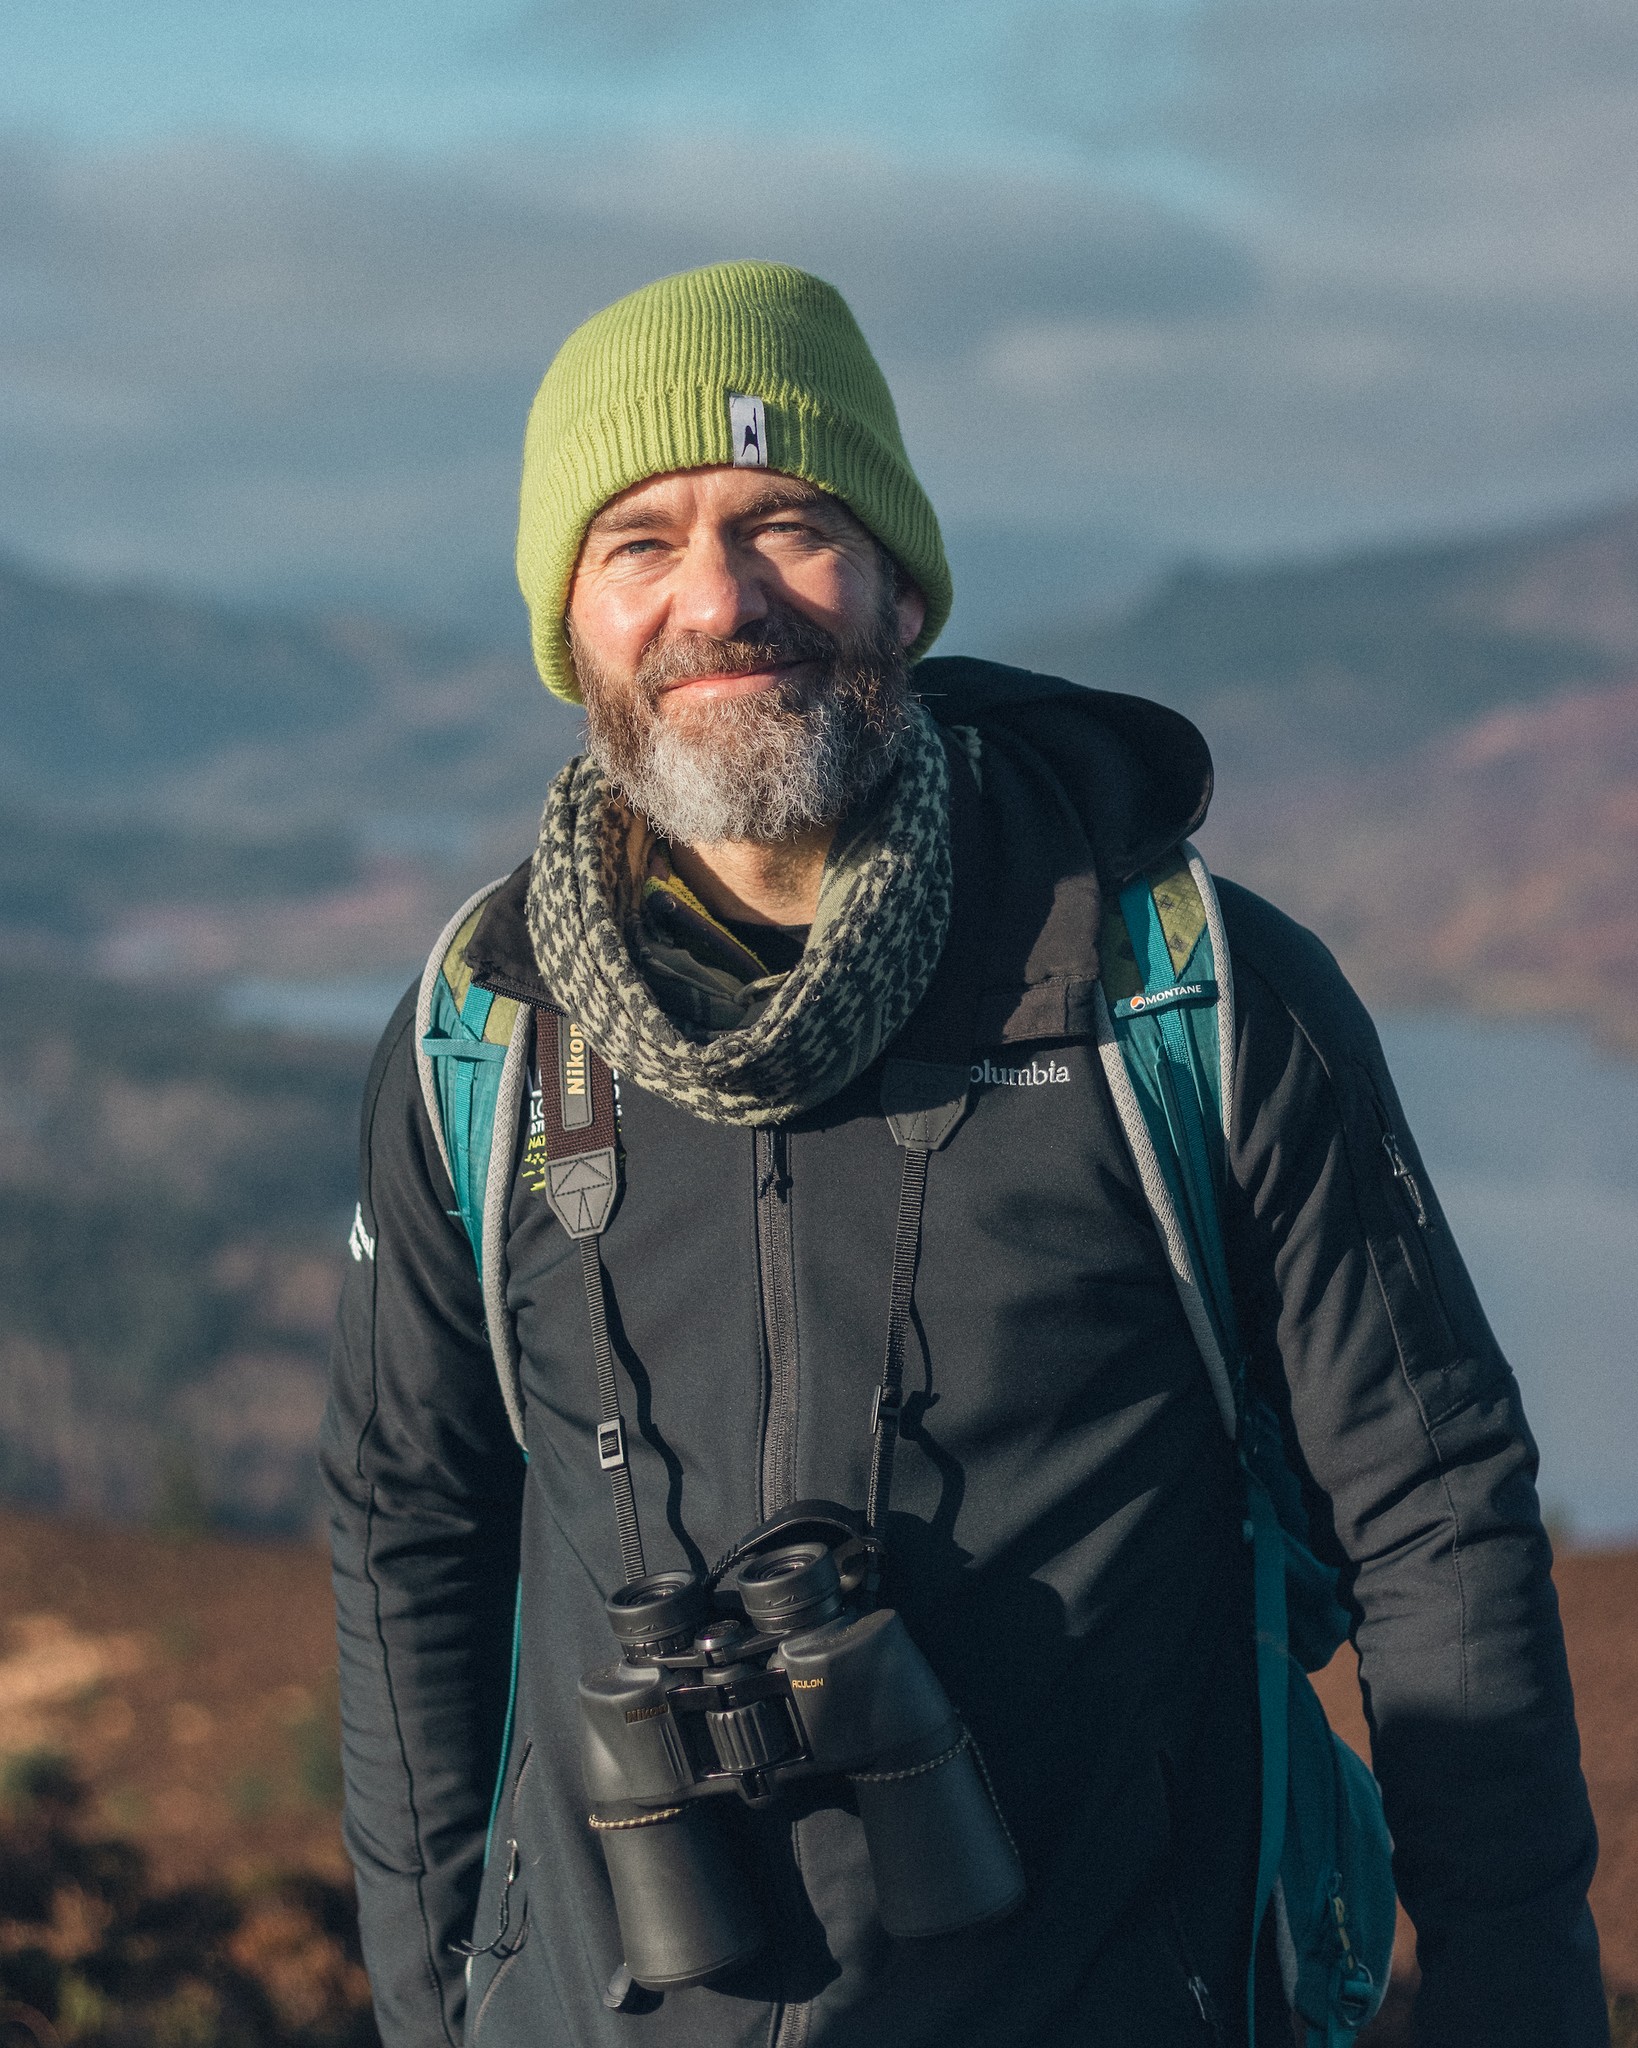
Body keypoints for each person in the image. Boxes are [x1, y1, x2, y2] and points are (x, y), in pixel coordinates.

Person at [322, 262, 1607, 2048]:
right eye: (640, 543)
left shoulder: (1185, 992)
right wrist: (428, 2008)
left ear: (902, 582)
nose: (720, 597)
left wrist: (1512, 2004)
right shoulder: (484, 1035)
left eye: (785, 519)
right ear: (570, 625)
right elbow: (409, 1536)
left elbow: (1435, 1514)